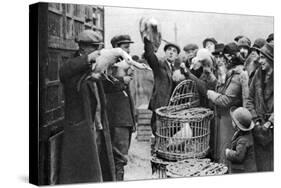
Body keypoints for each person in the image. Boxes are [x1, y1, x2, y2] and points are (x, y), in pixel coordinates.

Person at [59, 29, 128, 183]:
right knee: (82, 173)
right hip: (81, 129)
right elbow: (63, 72)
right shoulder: (74, 65)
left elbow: (106, 86)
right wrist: (88, 62)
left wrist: (120, 81)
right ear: (83, 48)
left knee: (97, 169)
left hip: (97, 127)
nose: (98, 52)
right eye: (95, 48)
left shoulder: (94, 66)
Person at [103, 34, 136, 181]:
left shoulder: (126, 63)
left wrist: (132, 119)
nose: (128, 49)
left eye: (129, 46)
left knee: (121, 156)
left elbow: (129, 95)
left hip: (124, 117)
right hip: (116, 117)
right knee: (119, 157)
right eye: (125, 46)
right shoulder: (110, 63)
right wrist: (123, 79)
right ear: (116, 47)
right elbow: (104, 83)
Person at [143, 36, 181, 136]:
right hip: (160, 107)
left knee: (169, 136)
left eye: (174, 51)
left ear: (177, 55)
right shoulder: (159, 65)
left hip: (173, 110)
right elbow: (150, 55)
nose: (171, 52)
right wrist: (148, 41)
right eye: (169, 50)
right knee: (159, 135)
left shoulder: (176, 69)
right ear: (165, 52)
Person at [246, 42, 274, 172]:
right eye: (260, 57)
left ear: (272, 59)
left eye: (264, 58)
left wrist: (269, 123)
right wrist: (256, 121)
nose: (260, 60)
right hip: (259, 130)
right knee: (262, 167)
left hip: (274, 130)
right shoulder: (257, 74)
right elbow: (249, 99)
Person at [225, 107, 257, 173]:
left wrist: (228, 153)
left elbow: (238, 157)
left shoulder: (243, 140)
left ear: (237, 125)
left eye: (233, 120)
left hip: (244, 171)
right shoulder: (243, 133)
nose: (232, 121)